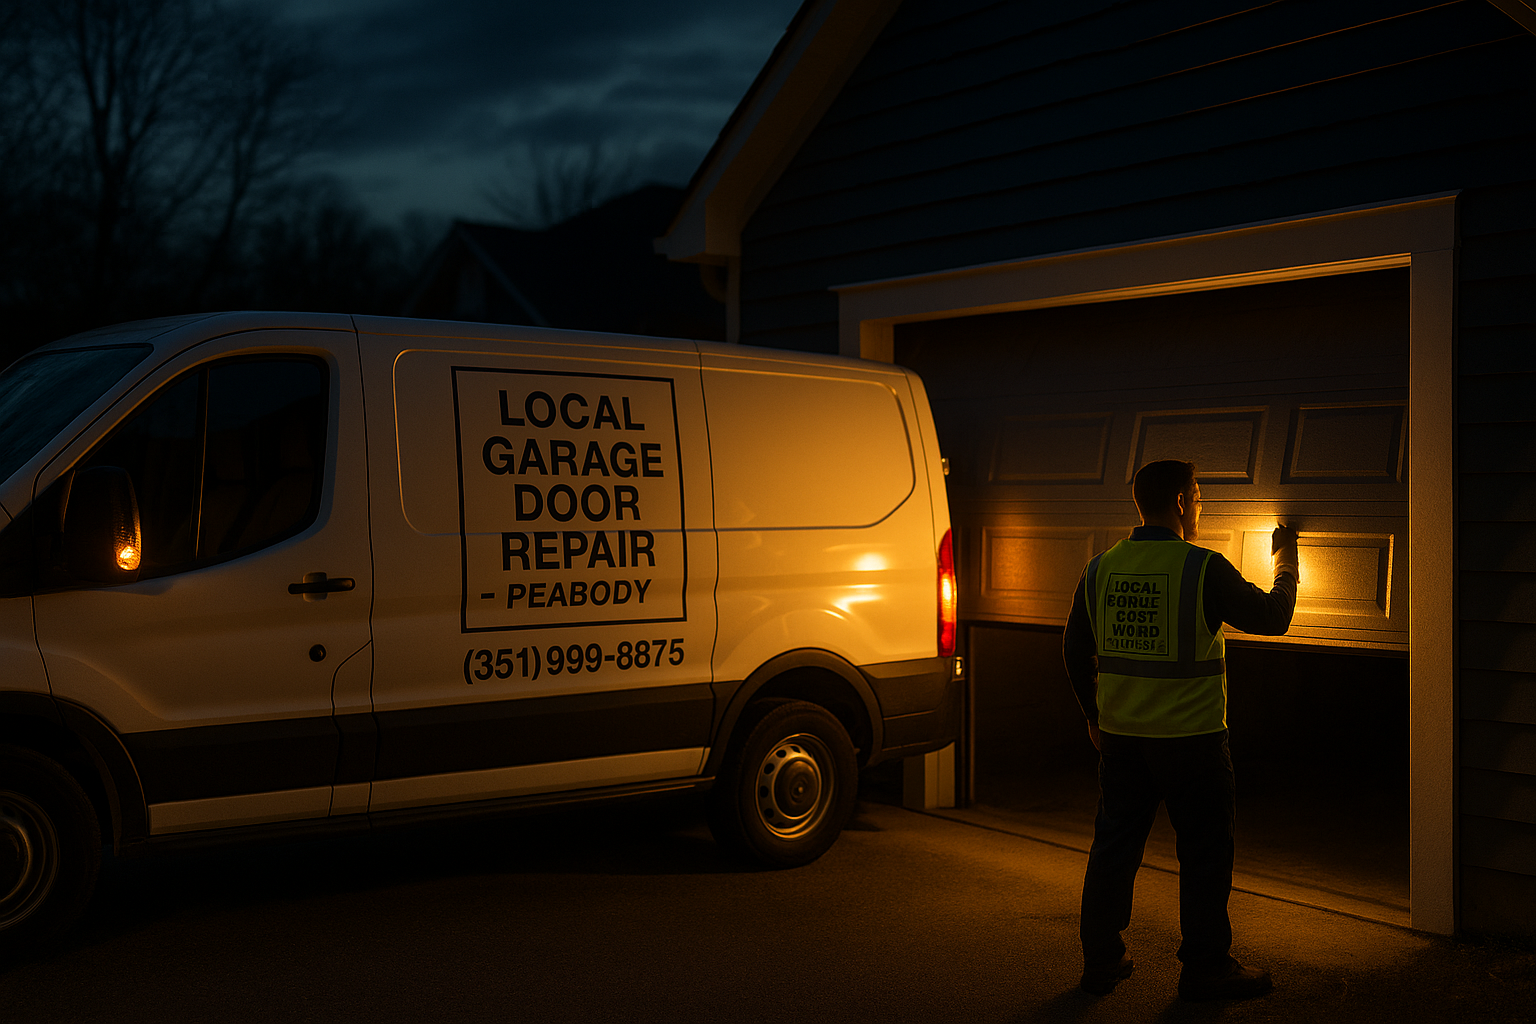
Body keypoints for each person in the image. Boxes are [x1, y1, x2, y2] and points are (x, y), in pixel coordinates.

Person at [1063, 459, 1299, 1002]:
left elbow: (1074, 649)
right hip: (1192, 743)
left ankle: (1101, 962)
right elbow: (1272, 617)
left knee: (1114, 849)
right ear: (1178, 502)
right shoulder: (1201, 567)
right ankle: (1206, 969)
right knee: (1204, 854)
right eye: (1197, 496)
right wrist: (1286, 563)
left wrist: (1094, 717)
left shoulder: (1100, 568)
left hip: (1123, 742)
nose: (1200, 506)